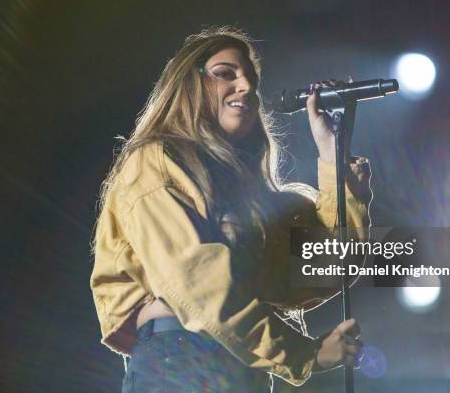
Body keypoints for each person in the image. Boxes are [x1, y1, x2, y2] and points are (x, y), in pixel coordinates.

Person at [90, 26, 372, 392]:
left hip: (243, 369)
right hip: (181, 359)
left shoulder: (254, 201)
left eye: (251, 79)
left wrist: (333, 154)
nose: (246, 86)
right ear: (189, 85)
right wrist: (304, 354)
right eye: (226, 74)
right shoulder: (155, 162)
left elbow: (331, 265)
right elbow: (200, 286)